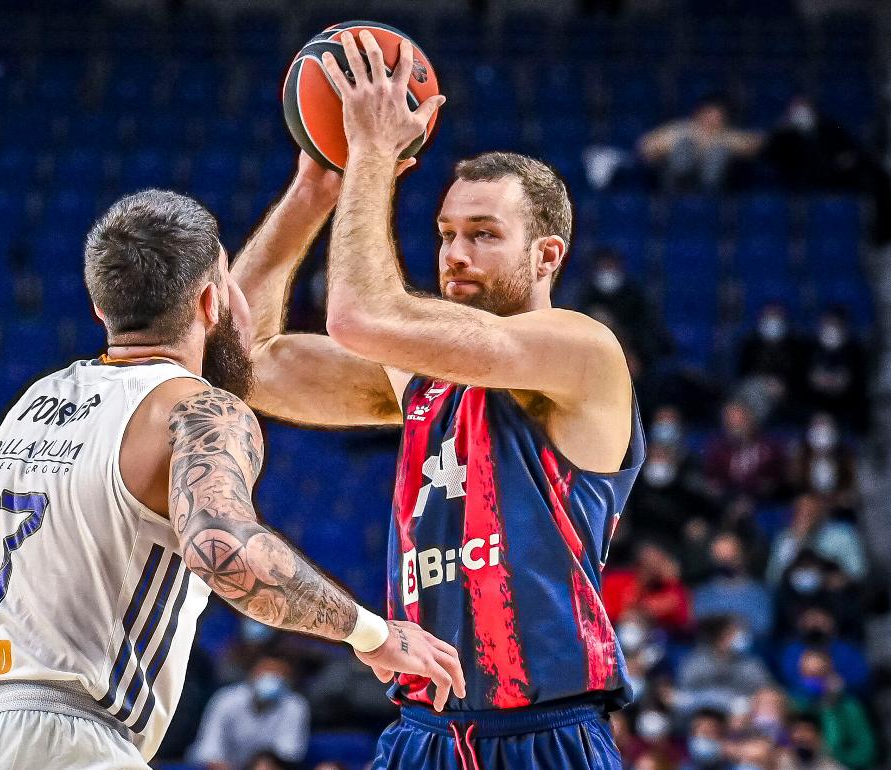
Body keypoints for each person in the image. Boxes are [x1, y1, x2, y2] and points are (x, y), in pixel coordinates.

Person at [0, 190, 462, 770]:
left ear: (100, 308)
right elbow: (223, 547)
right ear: (210, 302)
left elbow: (230, 365)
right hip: (55, 735)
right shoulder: (198, 410)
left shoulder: (36, 399)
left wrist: (313, 189)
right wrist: (372, 634)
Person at [235, 32, 643, 770]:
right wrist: (314, 192)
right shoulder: (419, 375)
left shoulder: (579, 350)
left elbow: (360, 314)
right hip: (423, 731)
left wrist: (369, 161)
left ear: (546, 254)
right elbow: (247, 364)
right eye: (447, 233)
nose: (455, 254)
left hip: (545, 731)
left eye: (484, 235)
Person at [189, 656, 309, 770]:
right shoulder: (226, 699)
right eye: (265, 672)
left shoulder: (295, 706)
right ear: (252, 674)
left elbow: (289, 752)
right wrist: (218, 764)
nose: (271, 678)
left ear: (288, 680)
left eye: (278, 674)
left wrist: (263, 762)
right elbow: (209, 745)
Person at [637, 97, 763, 191]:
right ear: (699, 114)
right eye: (708, 114)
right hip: (676, 182)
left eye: (717, 115)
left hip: (713, 185)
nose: (712, 119)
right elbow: (646, 145)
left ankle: (708, 193)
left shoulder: (727, 135)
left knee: (719, 151)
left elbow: (753, 146)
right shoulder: (681, 128)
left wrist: (713, 144)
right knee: (684, 145)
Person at [790, 649, 877, 769]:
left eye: (820, 674)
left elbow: (866, 752)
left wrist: (831, 704)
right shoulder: (796, 708)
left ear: (831, 674)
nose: (815, 680)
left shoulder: (849, 707)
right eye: (810, 675)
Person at [675, 616, 771, 714]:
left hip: (742, 717)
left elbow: (764, 691)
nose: (741, 637)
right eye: (734, 633)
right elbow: (684, 695)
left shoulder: (751, 664)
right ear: (720, 638)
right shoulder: (695, 662)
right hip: (701, 714)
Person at [692, 532, 772, 640]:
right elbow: (698, 624)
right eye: (720, 558)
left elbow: (762, 627)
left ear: (742, 556)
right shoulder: (702, 593)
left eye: (731, 557)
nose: (726, 562)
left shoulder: (759, 593)